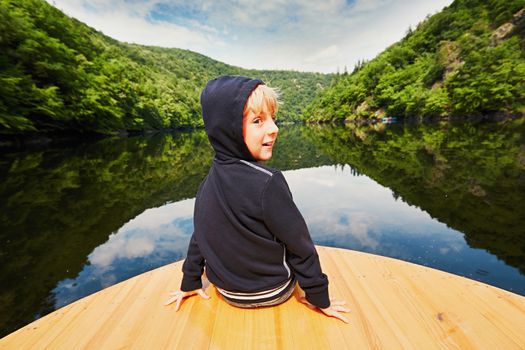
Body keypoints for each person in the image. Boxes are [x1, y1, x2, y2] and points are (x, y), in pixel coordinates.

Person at [165, 75, 349, 323]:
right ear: (228, 130)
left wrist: (190, 280)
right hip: (273, 291)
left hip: (227, 293)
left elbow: (201, 233)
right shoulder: (268, 182)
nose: (274, 128)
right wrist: (318, 297)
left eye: (272, 118)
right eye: (258, 121)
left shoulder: (208, 182)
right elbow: (299, 245)